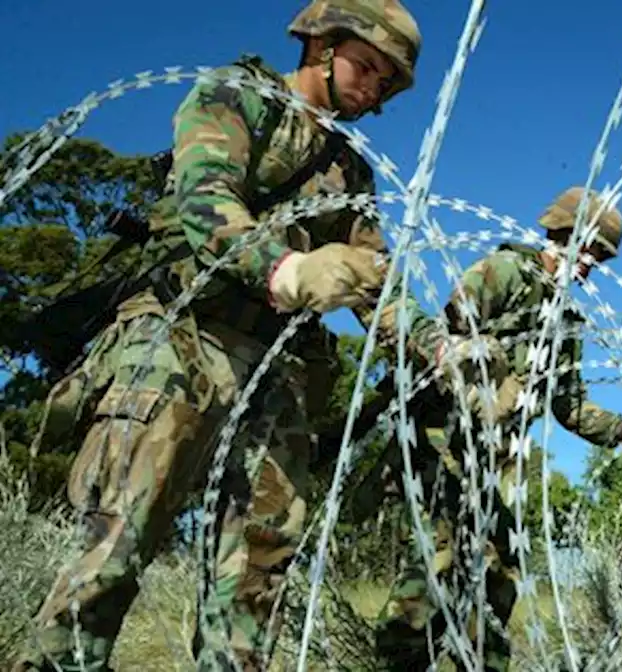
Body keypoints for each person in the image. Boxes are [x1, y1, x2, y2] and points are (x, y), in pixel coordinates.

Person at [12, 2, 437, 670]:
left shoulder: (350, 173)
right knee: (116, 544)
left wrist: (437, 348)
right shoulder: (237, 98)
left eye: (387, 82)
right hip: (182, 339)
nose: (374, 89)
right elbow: (205, 196)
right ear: (323, 46)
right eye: (368, 67)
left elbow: (377, 285)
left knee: (258, 574)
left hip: (273, 370)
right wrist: (287, 268)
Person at [362, 186, 622, 671]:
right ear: (560, 232)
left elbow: (570, 406)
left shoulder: (567, 321)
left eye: (601, 256)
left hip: (500, 458)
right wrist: (484, 380)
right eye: (588, 248)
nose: (591, 263)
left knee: (500, 574)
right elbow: (445, 339)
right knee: (441, 563)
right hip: (446, 440)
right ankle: (395, 663)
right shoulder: (505, 272)